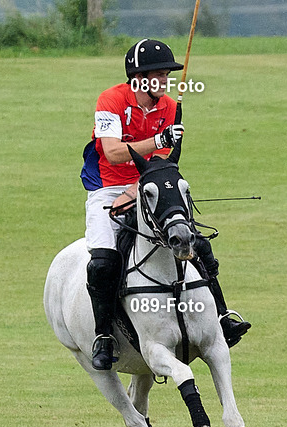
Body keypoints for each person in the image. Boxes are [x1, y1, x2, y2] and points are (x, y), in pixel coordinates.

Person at [80, 38, 249, 371]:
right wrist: (159, 140)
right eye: (159, 74)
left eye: (167, 74)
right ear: (139, 78)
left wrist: (140, 188)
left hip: (147, 187)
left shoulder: (170, 107)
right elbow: (112, 151)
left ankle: (222, 316)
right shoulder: (111, 100)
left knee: (195, 242)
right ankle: (104, 336)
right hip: (106, 189)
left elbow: (160, 166)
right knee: (102, 264)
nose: (166, 80)